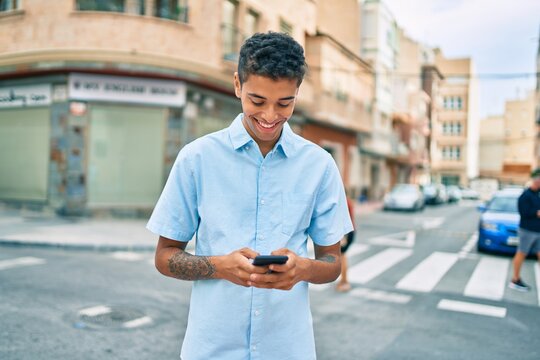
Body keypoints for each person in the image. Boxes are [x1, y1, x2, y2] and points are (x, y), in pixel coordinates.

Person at [147, 32, 353, 360]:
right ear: (237, 86)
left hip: (288, 349)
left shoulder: (319, 165)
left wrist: (302, 269)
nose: (270, 116)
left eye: (284, 103)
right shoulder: (196, 158)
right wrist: (219, 266)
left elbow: (333, 262)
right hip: (211, 350)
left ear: (297, 93)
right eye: (257, 101)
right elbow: (164, 257)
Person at [509, 168, 540, 291]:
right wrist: (537, 213)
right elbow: (524, 212)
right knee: (521, 253)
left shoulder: (537, 195)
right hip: (527, 230)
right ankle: (515, 279)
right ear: (535, 182)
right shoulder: (525, 196)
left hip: (538, 231)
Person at [336, 195, 356, 292]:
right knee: (342, 256)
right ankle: (343, 281)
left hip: (346, 233)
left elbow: (343, 219)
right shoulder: (348, 201)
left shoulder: (344, 202)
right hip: (349, 231)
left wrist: (343, 237)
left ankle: (344, 282)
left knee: (342, 257)